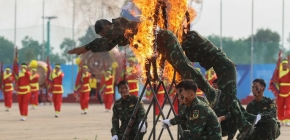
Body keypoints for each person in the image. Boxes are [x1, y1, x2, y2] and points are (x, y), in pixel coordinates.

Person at [66, 17, 221, 109]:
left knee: (185, 67)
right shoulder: (113, 35)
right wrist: (87, 50)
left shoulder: (118, 24)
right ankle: (205, 92)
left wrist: (84, 47)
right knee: (181, 72)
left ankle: (210, 91)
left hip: (163, 39)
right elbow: (106, 45)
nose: (104, 35)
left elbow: (107, 38)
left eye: (103, 32)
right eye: (102, 34)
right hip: (155, 47)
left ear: (107, 26)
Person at [181, 30, 258, 139]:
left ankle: (245, 126)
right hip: (224, 72)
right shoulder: (198, 49)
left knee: (229, 100)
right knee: (230, 100)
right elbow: (192, 56)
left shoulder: (196, 39)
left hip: (226, 70)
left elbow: (193, 48)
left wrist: (182, 43)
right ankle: (249, 120)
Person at [275, 59, 290, 126]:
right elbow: (276, 79)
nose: (285, 65)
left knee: (288, 106)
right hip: (281, 92)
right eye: (283, 64)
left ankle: (287, 120)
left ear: (287, 65)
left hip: (289, 91)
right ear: (282, 65)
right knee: (280, 106)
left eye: (286, 64)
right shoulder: (279, 72)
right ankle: (281, 120)